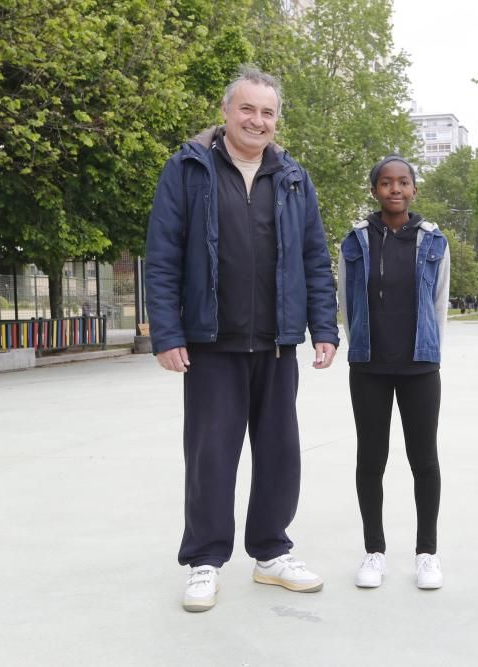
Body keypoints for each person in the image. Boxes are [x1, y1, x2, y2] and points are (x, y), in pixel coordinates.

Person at [145, 66, 339, 612]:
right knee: (211, 455)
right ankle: (204, 561)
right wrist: (167, 331)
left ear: (277, 120)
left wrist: (323, 327)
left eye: (268, 112)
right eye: (247, 109)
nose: (257, 120)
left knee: (280, 454)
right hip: (211, 344)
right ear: (227, 111)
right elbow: (162, 258)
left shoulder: (295, 178)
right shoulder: (187, 169)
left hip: (278, 343)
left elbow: (314, 260)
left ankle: (272, 553)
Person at [338, 155, 450, 590]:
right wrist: (358, 347)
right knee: (371, 460)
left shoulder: (434, 241)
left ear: (414, 189)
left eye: (403, 182)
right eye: (386, 183)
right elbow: (346, 301)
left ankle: (427, 554)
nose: (395, 190)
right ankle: (374, 552)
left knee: (424, 460)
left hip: (420, 367)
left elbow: (439, 303)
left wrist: (432, 352)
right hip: (369, 366)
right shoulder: (355, 240)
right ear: (375, 190)